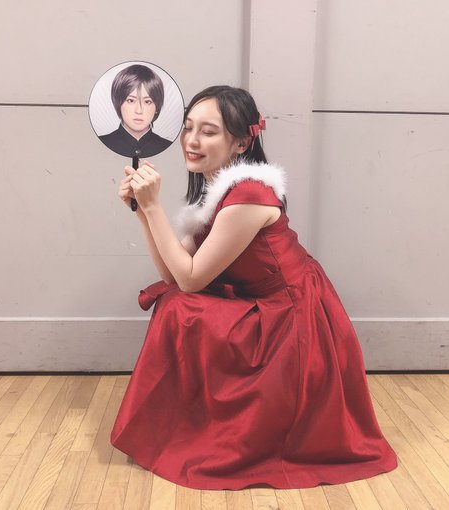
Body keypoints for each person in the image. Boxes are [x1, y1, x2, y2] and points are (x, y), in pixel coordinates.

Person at [111, 85, 397, 490]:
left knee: (179, 308)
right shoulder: (216, 190)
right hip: (260, 304)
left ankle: (207, 431)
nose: (192, 140)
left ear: (242, 143)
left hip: (292, 318)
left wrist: (154, 206)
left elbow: (190, 279)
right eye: (188, 128)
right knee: (172, 303)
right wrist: (142, 212)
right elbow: (173, 276)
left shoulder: (249, 195)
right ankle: (189, 428)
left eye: (209, 131)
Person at [99, 64, 172, 158]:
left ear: (157, 107)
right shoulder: (103, 142)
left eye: (147, 102)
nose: (139, 110)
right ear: (118, 103)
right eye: (131, 100)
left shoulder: (166, 145)